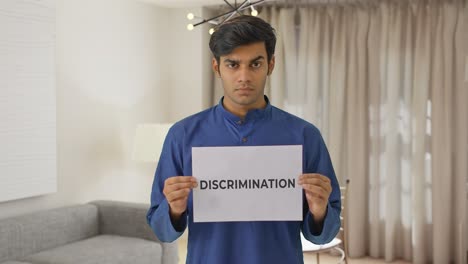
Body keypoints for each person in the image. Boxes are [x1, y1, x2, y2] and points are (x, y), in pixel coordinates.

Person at [147, 15, 341, 264]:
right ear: (217, 67)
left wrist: (319, 211)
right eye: (232, 64)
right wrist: (173, 209)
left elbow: (323, 235)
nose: (244, 76)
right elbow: (161, 230)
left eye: (255, 64)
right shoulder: (182, 135)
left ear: (271, 65)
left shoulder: (304, 135)